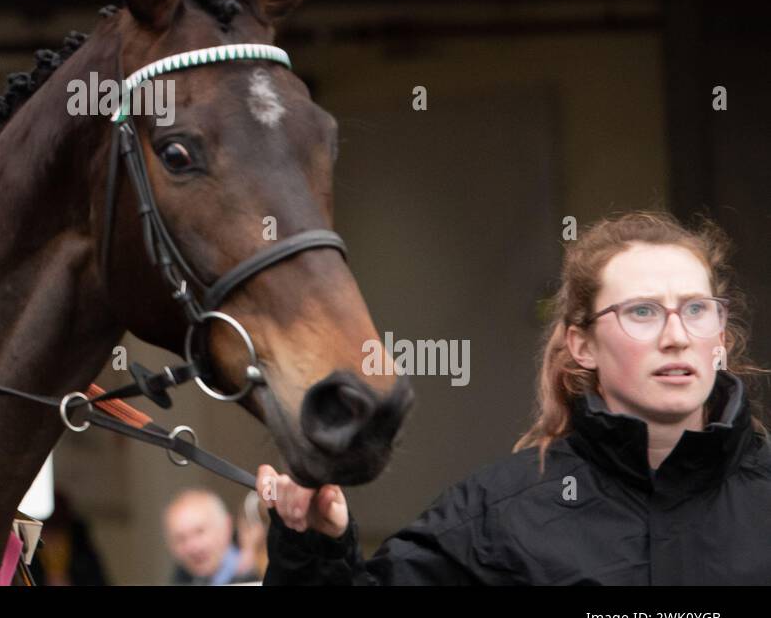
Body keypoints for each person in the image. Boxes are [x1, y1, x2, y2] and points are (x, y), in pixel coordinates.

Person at [258, 211, 771, 586]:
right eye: (642, 312)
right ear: (583, 345)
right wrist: (315, 548)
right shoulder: (499, 516)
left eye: (697, 309)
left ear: (721, 338)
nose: (677, 335)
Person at [164, 489, 260, 585]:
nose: (192, 547)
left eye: (199, 532)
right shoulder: (180, 580)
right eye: (181, 539)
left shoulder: (261, 572)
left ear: (227, 526)